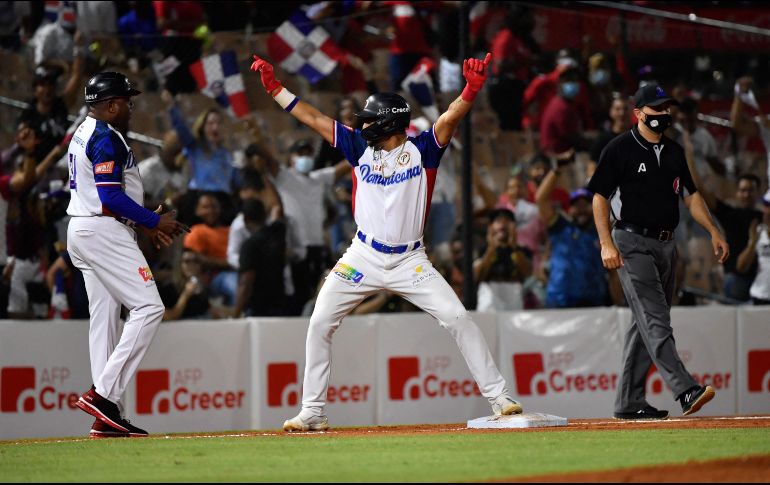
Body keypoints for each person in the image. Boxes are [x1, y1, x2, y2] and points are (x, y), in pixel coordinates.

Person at [251, 52, 523, 432]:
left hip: (411, 261)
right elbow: (313, 118)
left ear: (388, 122)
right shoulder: (360, 149)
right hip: (362, 256)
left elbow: (449, 118)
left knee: (459, 318)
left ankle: (501, 398)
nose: (362, 125)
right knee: (319, 322)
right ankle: (313, 411)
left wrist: (471, 90)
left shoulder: (423, 150)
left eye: (368, 120)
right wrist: (276, 89)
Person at [588, 83, 729, 420]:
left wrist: (713, 230)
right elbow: (599, 197)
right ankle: (685, 389)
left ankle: (629, 401)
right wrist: (606, 242)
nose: (663, 115)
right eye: (655, 110)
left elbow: (691, 196)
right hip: (631, 242)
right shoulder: (619, 149)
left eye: (666, 109)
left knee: (645, 323)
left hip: (667, 244)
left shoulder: (675, 151)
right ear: (638, 113)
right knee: (656, 319)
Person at [66, 72, 188, 438]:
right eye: (127, 102)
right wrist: (152, 219)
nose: (131, 108)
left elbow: (108, 195)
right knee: (150, 307)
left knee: (105, 320)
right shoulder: (105, 136)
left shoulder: (84, 131)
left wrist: (146, 220)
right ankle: (103, 397)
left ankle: (108, 415)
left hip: (84, 228)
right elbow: (110, 197)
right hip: (102, 230)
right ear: (112, 105)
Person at [535, 162, 609, 308]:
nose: (581, 210)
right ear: (569, 209)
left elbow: (613, 274)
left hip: (594, 303)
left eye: (585, 205)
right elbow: (540, 199)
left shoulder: (602, 233)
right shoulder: (560, 227)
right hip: (559, 301)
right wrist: (557, 169)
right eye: (576, 205)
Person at [736, 193, 770, 305]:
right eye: (765, 205)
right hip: (759, 297)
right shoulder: (759, 232)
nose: (767, 211)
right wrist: (753, 242)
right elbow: (741, 267)